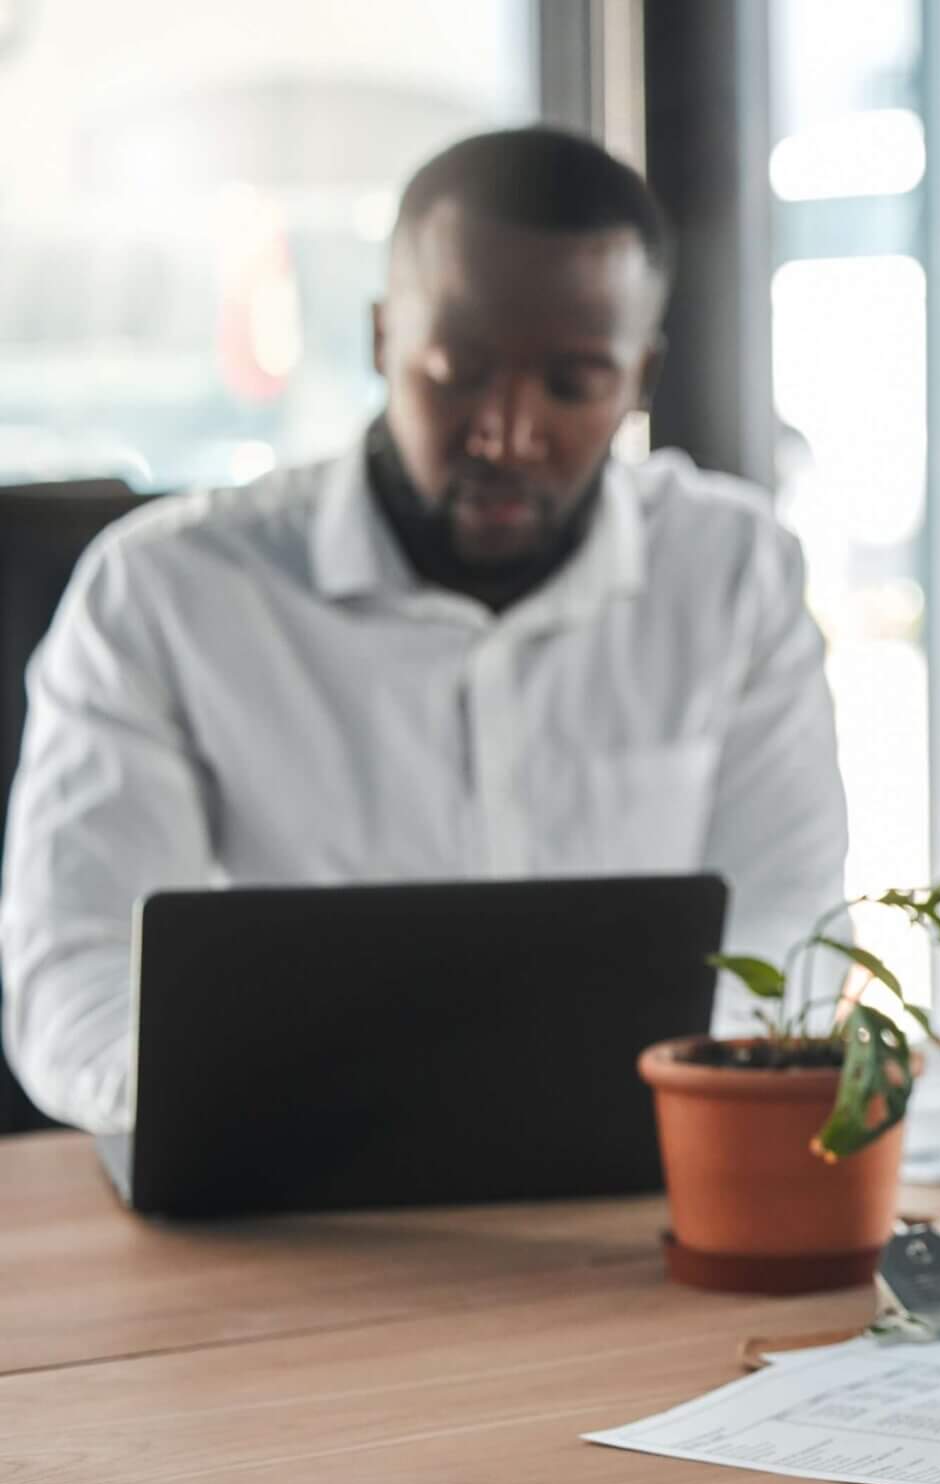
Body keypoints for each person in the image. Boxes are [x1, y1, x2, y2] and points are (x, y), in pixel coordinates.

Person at [0, 127, 847, 1134]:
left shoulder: (733, 574)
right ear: (380, 341)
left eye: (571, 383)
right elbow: (74, 979)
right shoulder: (162, 592)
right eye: (457, 369)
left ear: (641, 379)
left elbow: (785, 932)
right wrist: (240, 1114)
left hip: (630, 1181)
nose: (506, 429)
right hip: (282, 1188)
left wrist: (671, 1094)